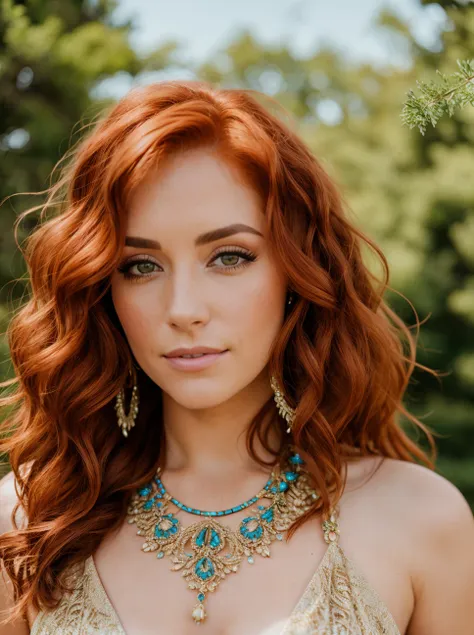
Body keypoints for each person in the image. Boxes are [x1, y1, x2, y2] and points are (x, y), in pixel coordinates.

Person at [0, 80, 473, 635]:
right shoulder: (28, 522)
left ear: (298, 272)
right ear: (104, 291)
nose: (183, 309)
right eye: (140, 266)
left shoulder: (420, 520)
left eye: (229, 256)